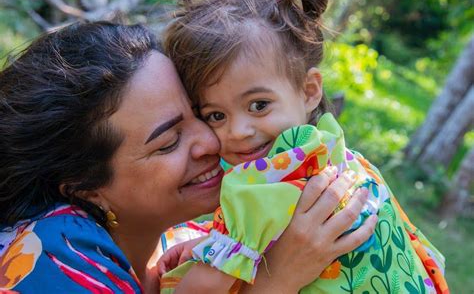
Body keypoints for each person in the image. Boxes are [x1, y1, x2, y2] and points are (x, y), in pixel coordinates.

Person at [0, 21, 377, 293]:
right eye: (168, 142)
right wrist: (276, 281)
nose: (212, 142)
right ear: (87, 189)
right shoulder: (48, 258)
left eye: (202, 113)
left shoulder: (187, 245)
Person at [160, 0, 449, 293]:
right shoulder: (333, 149)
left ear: (309, 91)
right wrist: (212, 243)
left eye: (259, 105)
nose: (238, 131)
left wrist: (201, 265)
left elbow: (200, 289)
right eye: (216, 115)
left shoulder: (262, 182)